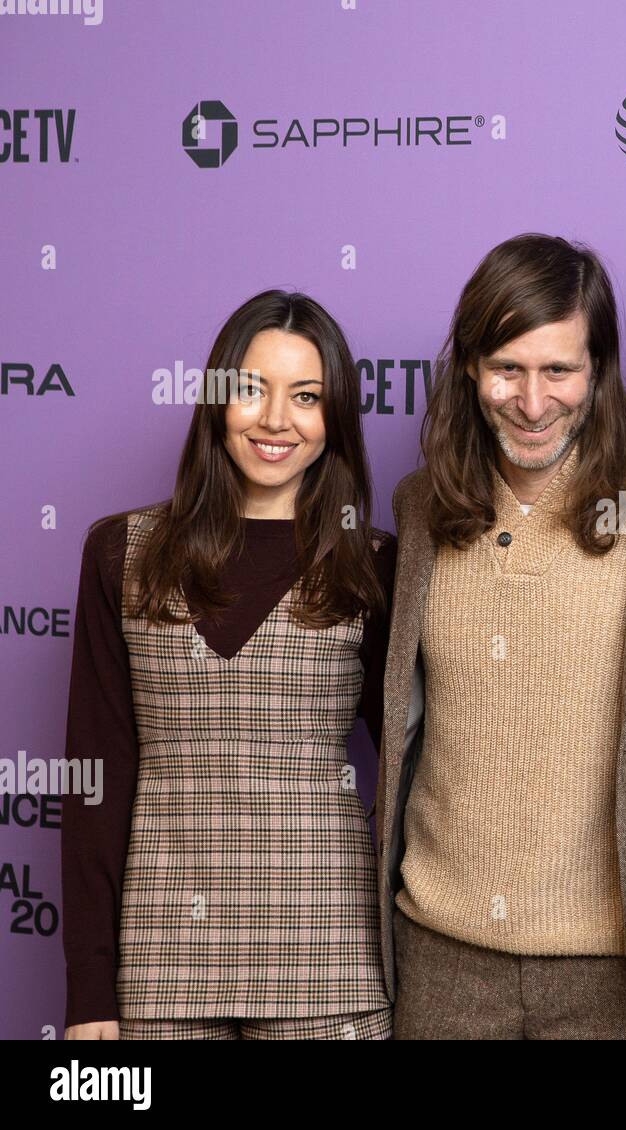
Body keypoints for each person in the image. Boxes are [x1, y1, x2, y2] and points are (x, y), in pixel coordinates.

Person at [377, 233, 626, 1039]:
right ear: (468, 369)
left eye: (558, 369)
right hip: (440, 958)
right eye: (507, 370)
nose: (531, 401)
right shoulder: (421, 506)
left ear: (599, 370)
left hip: (616, 968)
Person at [61, 290, 395, 1040]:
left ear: (334, 419)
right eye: (252, 390)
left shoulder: (374, 564)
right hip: (157, 971)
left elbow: (421, 770)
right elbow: (96, 778)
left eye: (306, 397)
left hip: (331, 964)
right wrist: (89, 993)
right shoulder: (120, 553)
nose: (277, 420)